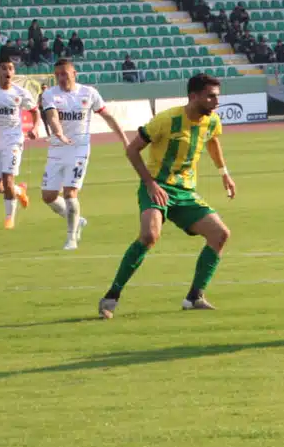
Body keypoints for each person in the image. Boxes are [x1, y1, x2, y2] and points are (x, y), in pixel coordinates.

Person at [99, 73, 236, 318]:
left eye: (217, 96)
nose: (216, 101)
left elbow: (212, 141)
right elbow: (132, 150)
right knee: (150, 235)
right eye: (210, 96)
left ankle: (194, 297)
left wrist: (224, 172)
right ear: (193, 96)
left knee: (220, 234)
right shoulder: (166, 119)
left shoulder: (211, 120)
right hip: (157, 186)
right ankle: (111, 296)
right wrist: (150, 184)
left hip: (184, 191)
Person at [40, 58, 128, 250]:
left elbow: (108, 117)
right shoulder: (50, 95)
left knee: (70, 192)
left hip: (79, 149)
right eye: (58, 75)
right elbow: (52, 116)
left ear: (74, 73)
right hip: (57, 148)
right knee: (48, 196)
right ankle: (77, 220)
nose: (61, 78)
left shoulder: (89, 93)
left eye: (64, 73)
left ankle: (71, 238)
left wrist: (124, 139)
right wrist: (59, 133)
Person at [0, 57, 39, 230]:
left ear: (14, 72)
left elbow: (34, 111)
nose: (7, 72)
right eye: (4, 68)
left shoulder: (21, 92)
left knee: (8, 179)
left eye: (10, 68)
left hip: (13, 140)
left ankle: (9, 218)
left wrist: (35, 128)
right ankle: (19, 191)